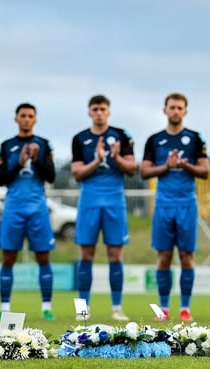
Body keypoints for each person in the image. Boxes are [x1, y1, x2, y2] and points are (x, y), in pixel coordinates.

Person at [140, 93, 209, 322]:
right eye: (172, 107)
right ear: (165, 110)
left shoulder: (196, 139)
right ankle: (164, 308)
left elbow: (205, 171)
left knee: (187, 256)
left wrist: (185, 164)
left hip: (187, 204)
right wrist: (166, 166)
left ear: (185, 111)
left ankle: (185, 308)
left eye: (180, 108)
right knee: (164, 257)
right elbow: (144, 172)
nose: (176, 111)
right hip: (164, 204)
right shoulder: (154, 140)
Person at [71, 95, 136, 321]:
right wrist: (97, 160)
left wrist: (115, 157)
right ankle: (82, 310)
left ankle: (117, 308)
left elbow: (131, 168)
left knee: (115, 254)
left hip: (114, 201)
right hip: (89, 200)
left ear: (109, 111)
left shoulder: (122, 135)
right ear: (89, 112)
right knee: (86, 254)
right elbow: (77, 173)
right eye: (95, 109)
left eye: (103, 109)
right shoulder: (80, 138)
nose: (99, 113)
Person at [0, 103, 56, 321]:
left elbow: (50, 176)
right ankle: (5, 307)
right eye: (23, 115)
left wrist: (37, 160)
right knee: (8, 257)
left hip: (37, 207)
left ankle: (46, 307)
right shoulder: (6, 145)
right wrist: (19, 162)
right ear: (16, 119)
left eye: (31, 116)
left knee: (43, 256)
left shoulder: (44, 145)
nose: (27, 119)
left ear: (35, 119)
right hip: (13, 207)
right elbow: (1, 179)